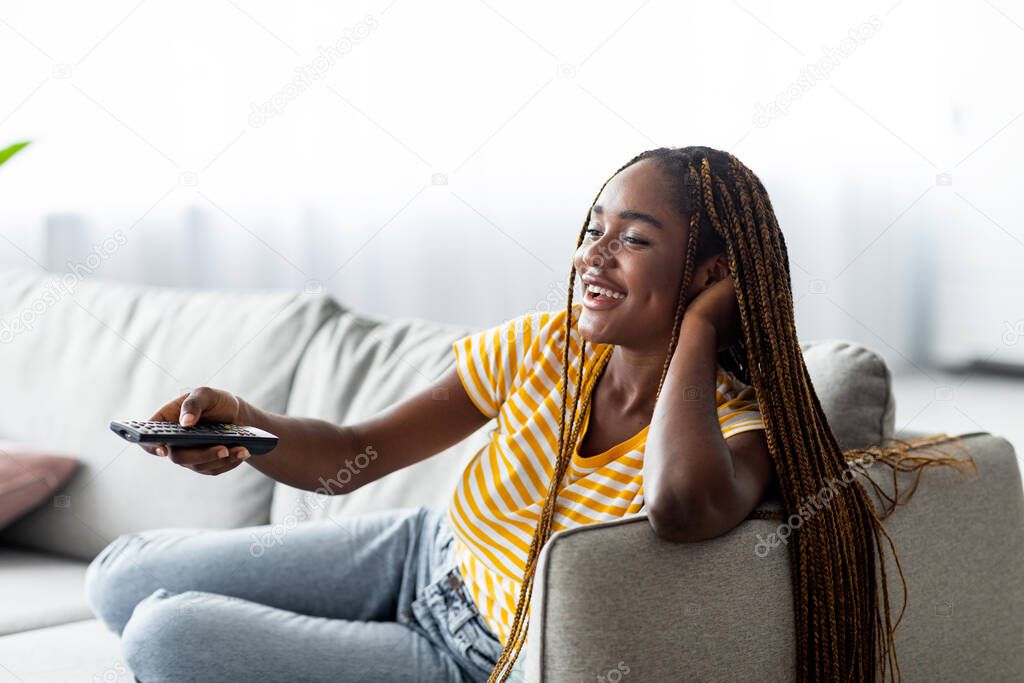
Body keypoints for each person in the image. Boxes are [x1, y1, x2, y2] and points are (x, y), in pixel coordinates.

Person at [86, 146, 971, 683]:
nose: (594, 252)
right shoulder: (546, 344)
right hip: (422, 552)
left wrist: (699, 328)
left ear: (711, 273)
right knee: (119, 576)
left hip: (480, 659)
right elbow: (358, 450)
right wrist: (245, 426)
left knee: (166, 630)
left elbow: (684, 506)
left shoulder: (744, 426)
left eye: (634, 238)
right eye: (594, 226)